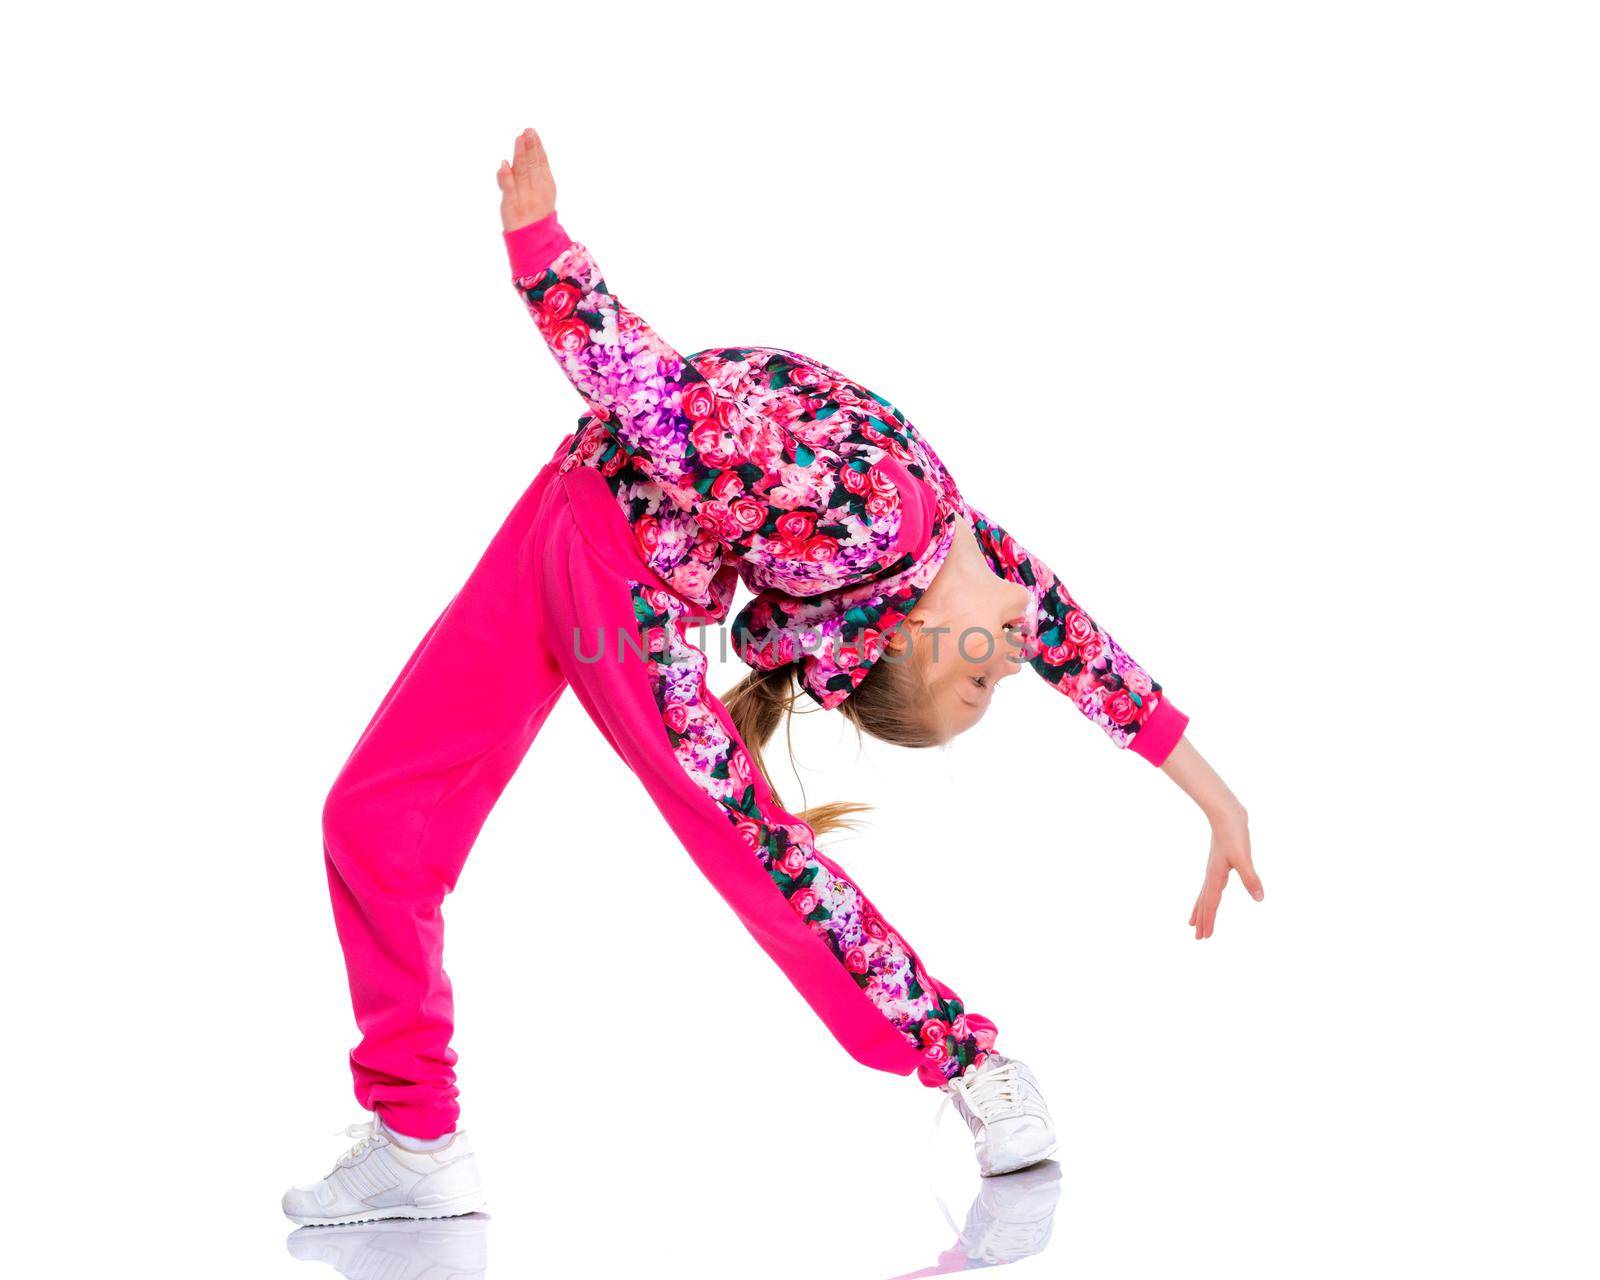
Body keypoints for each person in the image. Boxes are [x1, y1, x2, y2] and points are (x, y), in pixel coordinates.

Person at [282, 127, 1263, 1227]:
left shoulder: (878, 529)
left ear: (907, 632)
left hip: (620, 586)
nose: (1012, 656)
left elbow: (661, 413)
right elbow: (1097, 665)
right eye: (991, 680)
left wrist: (545, 256)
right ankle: (415, 1137)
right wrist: (1217, 798)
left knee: (762, 856)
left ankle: (970, 1065)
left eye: (979, 682)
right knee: (373, 816)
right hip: (563, 511)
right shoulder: (958, 550)